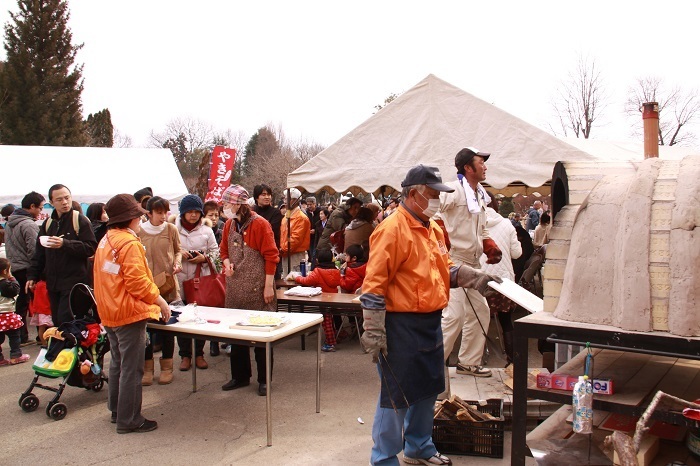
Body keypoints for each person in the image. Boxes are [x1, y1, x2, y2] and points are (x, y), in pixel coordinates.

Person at [359, 164, 501, 466]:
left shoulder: (432, 227)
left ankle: (419, 447)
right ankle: (383, 459)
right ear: (413, 195)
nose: (437, 199)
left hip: (430, 321)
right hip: (400, 325)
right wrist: (373, 329)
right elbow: (373, 285)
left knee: (428, 388)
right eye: (432, 194)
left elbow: (443, 269)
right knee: (396, 395)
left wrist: (473, 277)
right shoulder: (391, 229)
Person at [93, 194, 171, 433]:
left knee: (118, 363)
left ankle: (118, 411)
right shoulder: (128, 243)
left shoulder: (108, 240)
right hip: (128, 312)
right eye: (138, 214)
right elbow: (138, 283)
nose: (141, 217)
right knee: (131, 368)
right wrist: (160, 301)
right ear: (130, 218)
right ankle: (130, 419)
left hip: (111, 310)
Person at [436, 148, 502, 378]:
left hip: (473, 264)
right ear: (467, 167)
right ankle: (429, 369)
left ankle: (468, 363)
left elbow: (481, 229)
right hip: (454, 262)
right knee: (454, 316)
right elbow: (431, 210)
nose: (484, 166)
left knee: (481, 312)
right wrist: (440, 231)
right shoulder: (453, 189)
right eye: (480, 162)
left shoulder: (480, 195)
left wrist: (489, 243)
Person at [218, 185, 279, 396]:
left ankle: (264, 379)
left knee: (262, 335)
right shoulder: (229, 225)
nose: (225, 207)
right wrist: (227, 263)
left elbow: (272, 256)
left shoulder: (260, 225)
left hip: (259, 287)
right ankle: (240, 376)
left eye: (227, 203)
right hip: (235, 287)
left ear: (238, 204)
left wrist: (268, 286)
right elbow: (223, 250)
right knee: (237, 335)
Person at [26, 184, 98, 326]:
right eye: (59, 199)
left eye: (67, 198)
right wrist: (32, 276)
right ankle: (62, 348)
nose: (65, 202)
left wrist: (65, 244)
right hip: (53, 283)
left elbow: (91, 248)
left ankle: (69, 347)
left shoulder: (80, 220)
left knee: (68, 322)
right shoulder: (48, 223)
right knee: (58, 322)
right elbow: (40, 253)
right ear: (51, 203)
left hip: (75, 283)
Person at [138, 196, 183, 385]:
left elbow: (178, 250)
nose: (163, 216)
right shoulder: (138, 231)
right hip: (146, 287)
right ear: (148, 213)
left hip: (168, 286)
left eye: (165, 212)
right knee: (146, 329)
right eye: (158, 212)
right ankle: (147, 369)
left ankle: (167, 367)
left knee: (167, 327)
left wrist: (178, 262)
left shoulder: (171, 229)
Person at [174, 194, 218, 371]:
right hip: (178, 279)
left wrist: (204, 258)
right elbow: (166, 252)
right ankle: (185, 355)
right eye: (189, 212)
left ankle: (199, 353)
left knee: (200, 317)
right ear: (182, 213)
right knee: (180, 318)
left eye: (196, 212)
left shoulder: (207, 231)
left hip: (200, 280)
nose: (193, 215)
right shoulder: (172, 229)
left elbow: (216, 253)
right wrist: (179, 254)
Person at [479, 202, 522, 366]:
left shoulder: (476, 222)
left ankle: (475, 359)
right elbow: (517, 254)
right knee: (506, 320)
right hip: (504, 281)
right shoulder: (507, 224)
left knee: (477, 320)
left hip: (481, 279)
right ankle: (512, 359)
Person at [4, 191, 44, 344]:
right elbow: (35, 250)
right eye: (40, 208)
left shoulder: (10, 223)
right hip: (29, 268)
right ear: (32, 206)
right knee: (38, 304)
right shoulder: (28, 224)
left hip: (15, 267)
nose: (40, 212)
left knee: (21, 303)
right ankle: (41, 336)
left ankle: (21, 336)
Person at [294, 248, 341, 352]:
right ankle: (338, 335)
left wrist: (296, 278)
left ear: (318, 260)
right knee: (332, 319)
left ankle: (330, 343)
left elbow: (307, 281)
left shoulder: (318, 271)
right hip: (334, 298)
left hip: (322, 299)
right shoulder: (336, 270)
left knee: (326, 322)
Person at [0, 258, 29, 366]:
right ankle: (16, 355)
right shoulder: (6, 284)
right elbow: (16, 289)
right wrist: (12, 277)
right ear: (5, 271)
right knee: (14, 336)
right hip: (7, 315)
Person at [252, 184, 283, 279]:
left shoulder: (276, 212)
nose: (267, 197)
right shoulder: (251, 211)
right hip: (254, 254)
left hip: (270, 253)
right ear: (256, 197)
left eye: (269, 194)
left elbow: (271, 232)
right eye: (263, 194)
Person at [280, 188, 310, 277]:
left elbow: (295, 239)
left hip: (295, 255)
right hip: (286, 253)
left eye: (287, 199)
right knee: (286, 279)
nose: (285, 201)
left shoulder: (301, 218)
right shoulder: (287, 216)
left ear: (295, 200)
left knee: (294, 281)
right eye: (284, 199)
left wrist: (283, 249)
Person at [28, 278, 52, 347]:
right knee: (51, 328)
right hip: (47, 309)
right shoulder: (47, 285)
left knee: (41, 328)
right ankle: (49, 342)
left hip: (39, 310)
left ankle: (43, 342)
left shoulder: (38, 284)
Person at [305, 196, 321, 269]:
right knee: (311, 254)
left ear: (315, 204)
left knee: (315, 254)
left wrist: (316, 230)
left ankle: (314, 268)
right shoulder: (307, 213)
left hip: (318, 238)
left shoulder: (320, 212)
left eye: (310, 204)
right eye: (307, 205)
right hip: (309, 237)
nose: (309, 206)